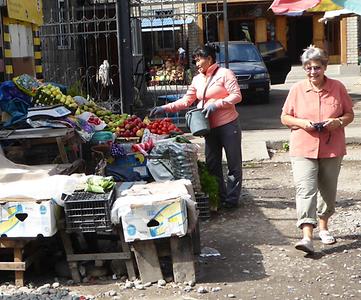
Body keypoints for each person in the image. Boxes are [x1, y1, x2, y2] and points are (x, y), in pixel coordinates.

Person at [281, 45, 354, 254]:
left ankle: (324, 227)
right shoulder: (297, 89)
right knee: (305, 190)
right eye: (308, 68)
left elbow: (349, 114)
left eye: (317, 68)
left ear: (324, 67)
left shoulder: (338, 87)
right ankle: (307, 236)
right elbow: (285, 117)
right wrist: (303, 123)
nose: (313, 72)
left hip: (332, 148)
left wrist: (337, 122)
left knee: (328, 191)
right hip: (303, 146)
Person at [150, 43, 243, 208]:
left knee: (233, 163)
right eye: (195, 61)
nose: (196, 64)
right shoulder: (197, 79)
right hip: (208, 127)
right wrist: (164, 108)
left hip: (228, 125)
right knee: (212, 164)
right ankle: (220, 198)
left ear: (209, 59)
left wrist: (217, 104)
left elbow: (236, 96)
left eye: (199, 60)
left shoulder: (224, 74)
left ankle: (232, 200)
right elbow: (186, 100)